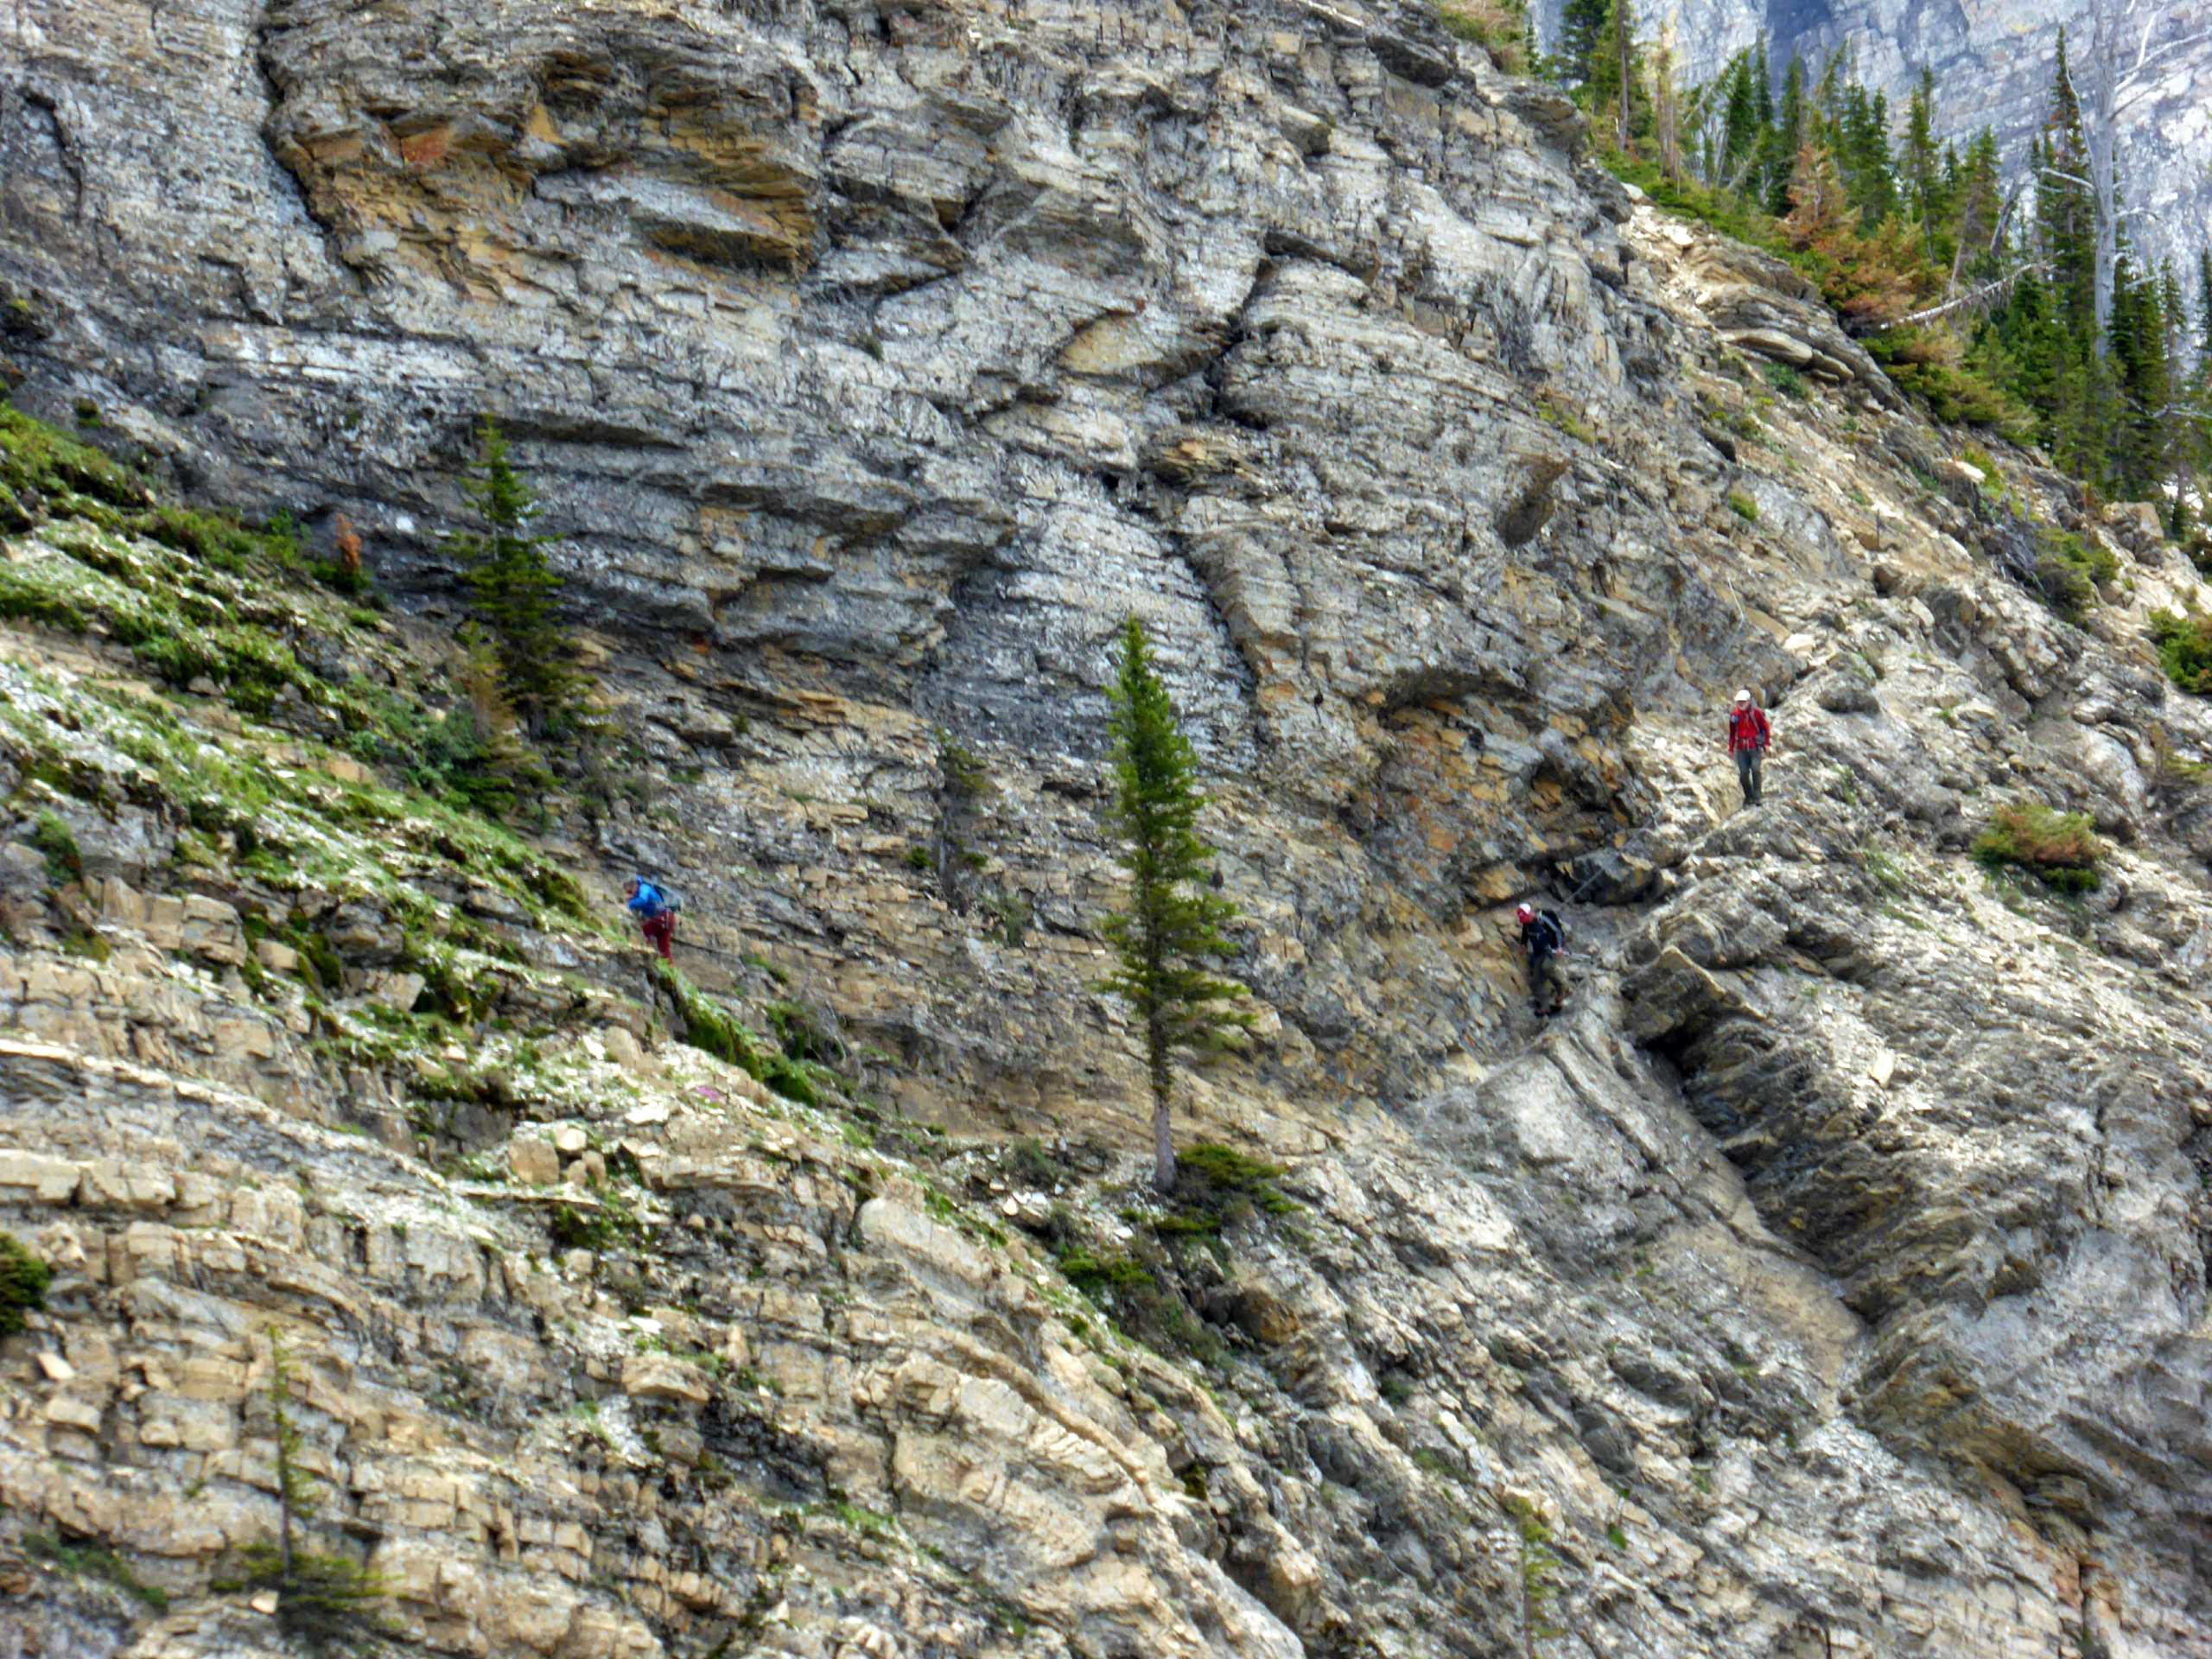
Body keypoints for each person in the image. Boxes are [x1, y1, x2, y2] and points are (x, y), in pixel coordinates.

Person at [1516, 902, 1568, 1019]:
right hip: (1538, 953)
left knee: (1547, 967)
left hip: (1552, 950)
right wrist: (1523, 945)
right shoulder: (1527, 924)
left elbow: (1557, 931)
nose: (1525, 921)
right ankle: (1545, 1007)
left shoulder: (1543, 919)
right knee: (1535, 982)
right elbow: (1525, 935)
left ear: (1530, 913)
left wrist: (1559, 946)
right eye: (1523, 920)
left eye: (1525, 918)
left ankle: (1560, 990)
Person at [1727, 688, 1770, 808]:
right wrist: (1731, 748)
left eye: (1743, 701)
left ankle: (1757, 796)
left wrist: (1766, 743)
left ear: (1749, 701)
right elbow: (1732, 733)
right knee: (1744, 774)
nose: (1741, 704)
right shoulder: (1734, 715)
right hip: (1741, 749)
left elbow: (1765, 728)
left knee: (1756, 769)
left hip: (1754, 747)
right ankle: (1749, 796)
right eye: (1739, 701)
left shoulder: (1757, 713)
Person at [624, 874, 677, 961]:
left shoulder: (644, 888)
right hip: (669, 918)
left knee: (644, 931)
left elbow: (642, 900)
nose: (630, 894)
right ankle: (670, 970)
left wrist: (628, 904)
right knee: (664, 948)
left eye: (630, 891)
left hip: (663, 917)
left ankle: (645, 956)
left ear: (634, 885)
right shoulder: (642, 891)